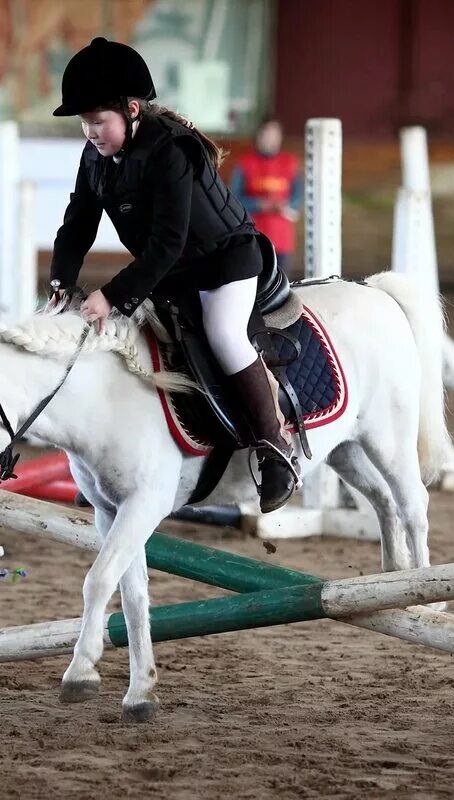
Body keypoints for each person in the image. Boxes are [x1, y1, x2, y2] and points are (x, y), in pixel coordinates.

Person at [47, 37, 297, 513]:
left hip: (225, 263)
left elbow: (168, 243)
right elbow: (78, 222)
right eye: (84, 123)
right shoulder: (95, 157)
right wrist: (62, 282)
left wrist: (112, 295)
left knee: (224, 334)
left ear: (133, 109)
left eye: (98, 121)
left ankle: (274, 448)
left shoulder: (171, 151)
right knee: (136, 341)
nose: (90, 132)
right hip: (173, 271)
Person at [231, 119, 301, 279]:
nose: (270, 138)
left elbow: (297, 196)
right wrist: (259, 204)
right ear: (258, 136)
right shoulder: (245, 164)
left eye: (274, 134)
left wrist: (286, 205)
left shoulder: (289, 163)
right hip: (254, 237)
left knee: (283, 286)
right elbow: (234, 199)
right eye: (266, 134)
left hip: (282, 238)